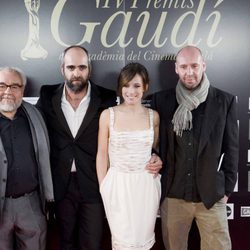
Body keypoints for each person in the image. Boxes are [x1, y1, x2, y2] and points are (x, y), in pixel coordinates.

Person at [36, 46, 162, 250]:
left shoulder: (105, 98)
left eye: (82, 67)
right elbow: (36, 129)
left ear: (89, 69)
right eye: (71, 67)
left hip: (93, 184)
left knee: (92, 243)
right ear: (62, 69)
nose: (76, 72)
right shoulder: (47, 94)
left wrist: (155, 156)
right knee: (66, 240)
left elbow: (142, 138)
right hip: (62, 182)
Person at [152, 45, 239, 250]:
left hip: (211, 197)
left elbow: (232, 150)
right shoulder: (161, 100)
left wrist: (226, 190)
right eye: (184, 67)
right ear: (176, 69)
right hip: (173, 196)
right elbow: (152, 143)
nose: (189, 72)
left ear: (203, 66)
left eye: (194, 66)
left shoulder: (224, 101)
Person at [96, 62, 161, 249]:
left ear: (146, 87)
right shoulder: (108, 115)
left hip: (146, 185)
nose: (130, 91)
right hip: (117, 186)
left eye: (137, 85)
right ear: (120, 87)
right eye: (126, 85)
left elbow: (155, 151)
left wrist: (158, 159)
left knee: (143, 241)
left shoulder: (153, 116)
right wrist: (104, 186)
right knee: (122, 241)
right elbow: (102, 154)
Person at [0, 67, 54, 250]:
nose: (8, 91)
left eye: (14, 86)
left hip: (30, 203)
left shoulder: (35, 115)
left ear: (22, 91)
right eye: (2, 85)